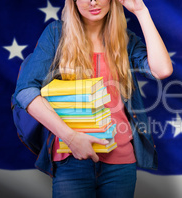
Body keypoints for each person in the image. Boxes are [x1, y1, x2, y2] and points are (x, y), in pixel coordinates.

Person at [13, 0, 173, 197]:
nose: (93, 2)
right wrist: (71, 138)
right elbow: (25, 91)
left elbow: (162, 70)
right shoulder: (56, 34)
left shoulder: (125, 40)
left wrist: (141, 11)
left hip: (121, 161)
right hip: (71, 157)